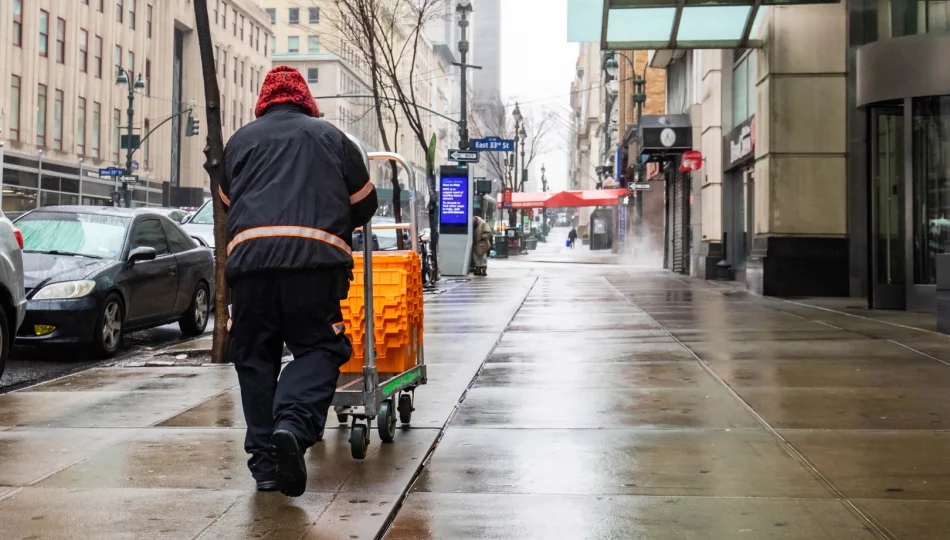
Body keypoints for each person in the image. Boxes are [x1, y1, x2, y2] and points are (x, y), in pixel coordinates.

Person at [220, 66, 378, 497]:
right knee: (320, 347)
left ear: (263, 101)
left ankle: (266, 467)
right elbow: (366, 201)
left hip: (250, 269)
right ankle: (291, 424)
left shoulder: (240, 142)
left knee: (254, 357)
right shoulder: (331, 138)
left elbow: (227, 200)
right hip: (313, 265)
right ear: (306, 100)